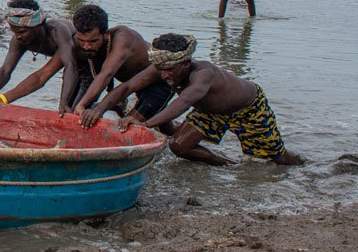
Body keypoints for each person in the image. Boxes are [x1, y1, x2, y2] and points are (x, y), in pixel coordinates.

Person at [113, 34, 304, 166]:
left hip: (248, 109)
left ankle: (306, 164)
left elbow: (184, 102)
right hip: (210, 112)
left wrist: (145, 124)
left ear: (186, 63)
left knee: (277, 159)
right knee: (179, 146)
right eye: (160, 68)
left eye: (169, 69)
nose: (163, 75)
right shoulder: (163, 69)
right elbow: (127, 86)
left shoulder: (203, 74)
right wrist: (91, 110)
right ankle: (229, 165)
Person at [0, 0, 80, 114]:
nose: (18, 36)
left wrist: (64, 102)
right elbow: (5, 71)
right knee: (68, 109)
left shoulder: (58, 31)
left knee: (71, 107)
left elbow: (69, 66)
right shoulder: (18, 40)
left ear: (37, 25)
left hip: (83, 64)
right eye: (14, 32)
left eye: (21, 32)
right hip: (71, 67)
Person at [68, 4, 175, 130]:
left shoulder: (123, 38)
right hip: (134, 86)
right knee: (162, 125)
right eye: (81, 40)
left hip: (158, 84)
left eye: (92, 41)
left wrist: (85, 105)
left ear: (106, 34)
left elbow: (107, 74)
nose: (86, 46)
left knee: (126, 128)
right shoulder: (91, 45)